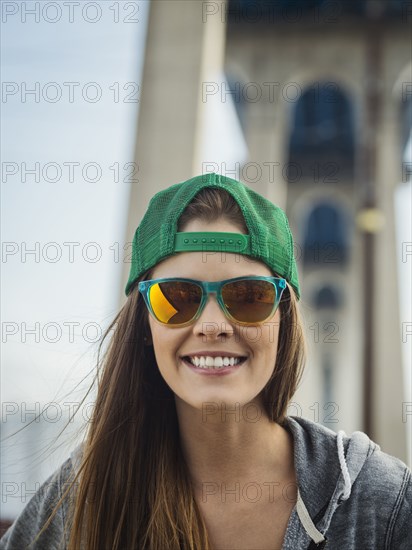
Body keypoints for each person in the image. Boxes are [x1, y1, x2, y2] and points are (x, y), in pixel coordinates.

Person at [1, 172, 410, 550]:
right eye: (177, 297)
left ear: (283, 320)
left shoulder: (379, 499)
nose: (212, 325)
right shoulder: (88, 490)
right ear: (145, 324)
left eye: (249, 296)